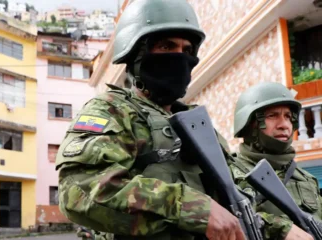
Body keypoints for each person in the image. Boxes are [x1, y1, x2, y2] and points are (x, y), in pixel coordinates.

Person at [56, 0, 312, 239]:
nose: (179, 57)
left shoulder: (200, 127)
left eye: (187, 50)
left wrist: (281, 229)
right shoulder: (112, 110)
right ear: (137, 54)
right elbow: (80, 191)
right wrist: (194, 208)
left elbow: (237, 205)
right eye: (167, 46)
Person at [230, 82, 322, 222]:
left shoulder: (307, 179)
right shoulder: (228, 172)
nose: (284, 125)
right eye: (272, 116)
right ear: (249, 124)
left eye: (287, 116)